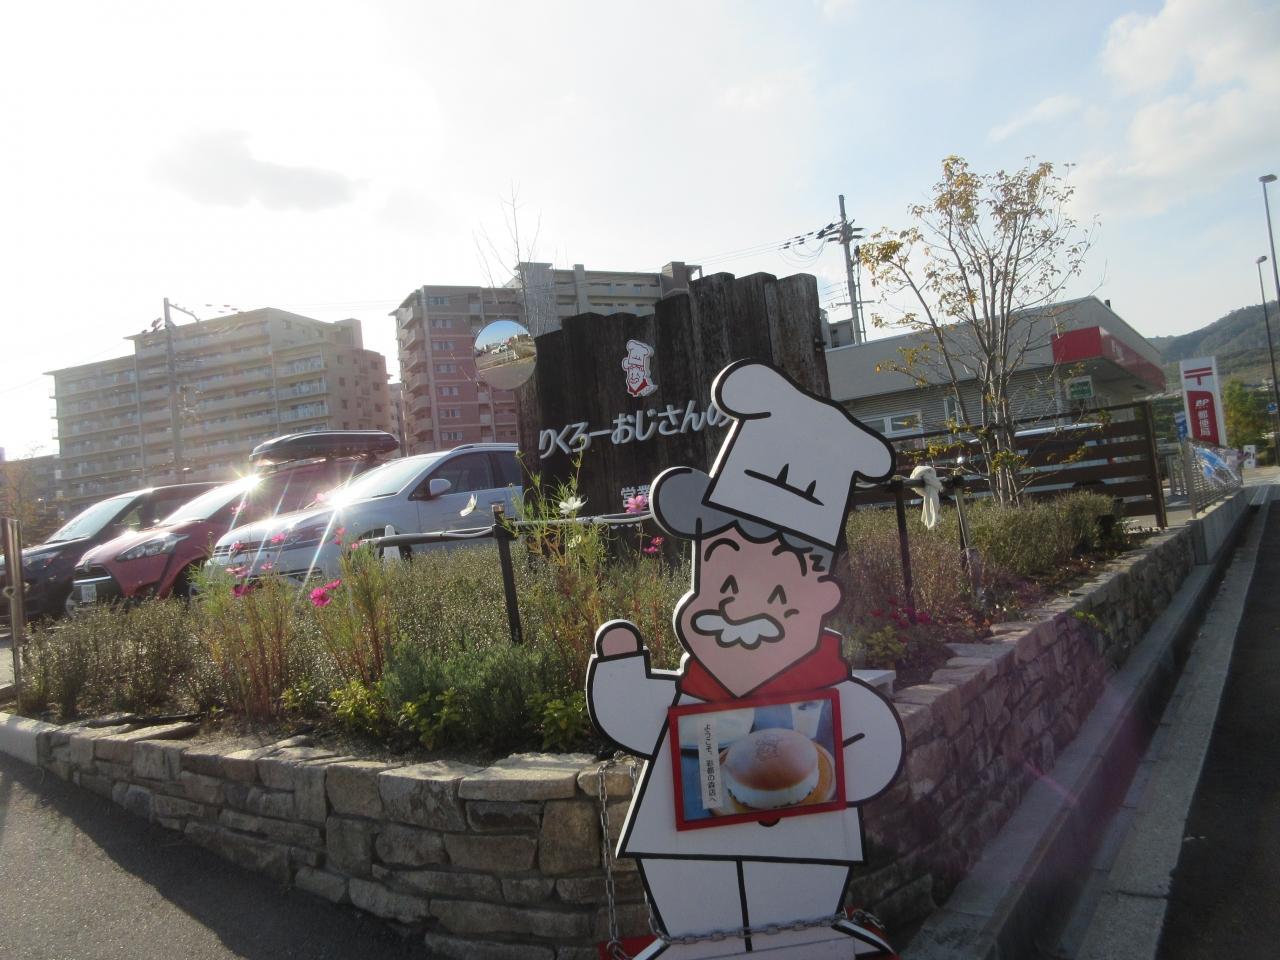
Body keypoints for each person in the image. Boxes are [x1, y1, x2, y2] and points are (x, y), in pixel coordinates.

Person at [587, 360, 907, 959]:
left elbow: (874, 749)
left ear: (823, 598)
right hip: (684, 850)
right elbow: (635, 717)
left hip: (806, 846)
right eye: (723, 582)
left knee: (799, 907)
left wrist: (858, 756)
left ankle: (810, 940)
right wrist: (621, 672)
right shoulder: (691, 691)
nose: (734, 606)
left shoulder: (831, 697)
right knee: (692, 907)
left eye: (774, 592)